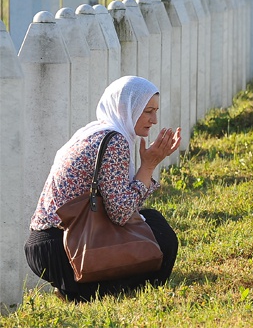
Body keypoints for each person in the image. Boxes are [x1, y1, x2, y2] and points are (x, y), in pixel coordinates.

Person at [24, 76, 182, 303]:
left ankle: (75, 289)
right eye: (148, 111)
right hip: (66, 249)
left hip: (48, 245)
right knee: (161, 235)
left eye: (155, 111)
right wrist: (148, 166)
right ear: (126, 107)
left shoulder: (93, 132)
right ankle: (83, 291)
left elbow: (123, 207)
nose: (154, 120)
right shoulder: (114, 141)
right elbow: (121, 214)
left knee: (150, 220)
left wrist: (146, 169)